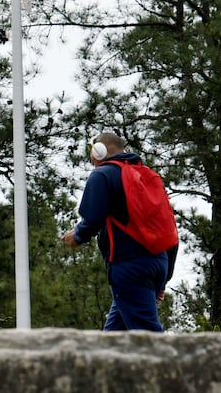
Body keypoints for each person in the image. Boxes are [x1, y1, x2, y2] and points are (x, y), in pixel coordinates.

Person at [60, 132, 178, 332]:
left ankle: (176, 365)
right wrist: (165, 278)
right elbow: (169, 230)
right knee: (112, 337)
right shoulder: (147, 176)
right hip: (159, 263)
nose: (91, 159)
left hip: (129, 266)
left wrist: (78, 235)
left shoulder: (102, 174)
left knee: (147, 336)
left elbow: (93, 219)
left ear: (99, 151)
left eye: (92, 153)